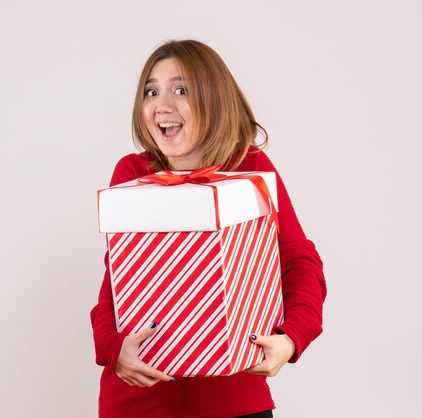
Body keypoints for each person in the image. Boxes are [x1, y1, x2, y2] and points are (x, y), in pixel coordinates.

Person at [90, 39, 327, 418]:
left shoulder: (250, 170)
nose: (161, 105)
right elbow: (117, 279)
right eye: (151, 91)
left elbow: (299, 261)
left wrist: (291, 337)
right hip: (140, 402)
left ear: (214, 98)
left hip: (234, 401)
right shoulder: (134, 173)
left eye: (180, 89)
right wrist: (111, 347)